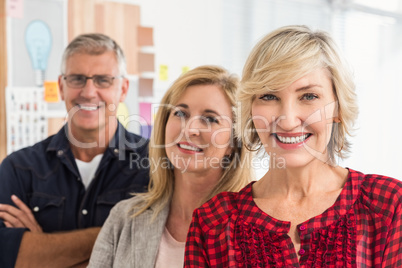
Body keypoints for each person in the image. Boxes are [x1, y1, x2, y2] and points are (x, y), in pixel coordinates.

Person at [185, 25, 402, 267]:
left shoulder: (388, 206)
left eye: (308, 96)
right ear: (251, 110)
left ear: (338, 108)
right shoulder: (213, 223)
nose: (287, 121)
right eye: (268, 96)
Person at [0, 33, 150, 267]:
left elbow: (155, 254)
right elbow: (6, 256)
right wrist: (119, 238)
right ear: (61, 86)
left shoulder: (154, 165)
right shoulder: (18, 168)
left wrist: (42, 245)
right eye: (77, 79)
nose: (89, 92)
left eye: (103, 80)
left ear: (123, 89)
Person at [88, 65, 253, 267]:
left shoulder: (253, 229)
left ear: (233, 143)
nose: (190, 129)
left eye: (210, 119)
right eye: (181, 113)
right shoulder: (125, 218)